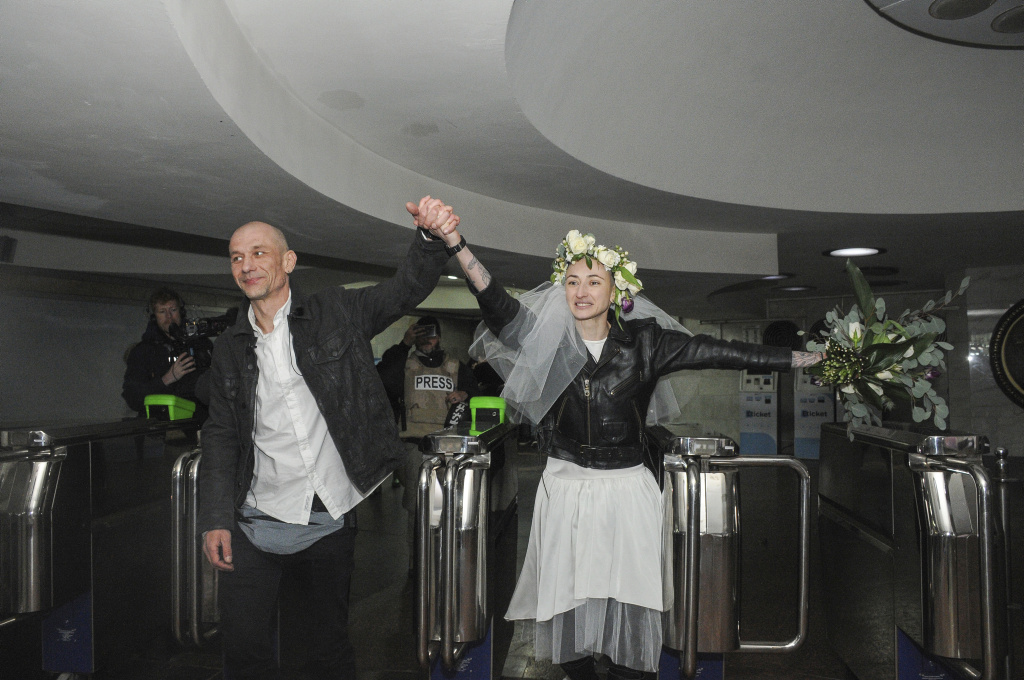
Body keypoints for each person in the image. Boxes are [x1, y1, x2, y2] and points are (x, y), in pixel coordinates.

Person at [412, 204, 824, 680]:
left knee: (633, 598)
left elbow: (721, 350)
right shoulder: (545, 339)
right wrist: (455, 245)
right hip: (565, 486)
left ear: (614, 291)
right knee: (568, 601)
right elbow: (493, 298)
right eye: (572, 282)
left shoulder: (646, 342)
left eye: (593, 282)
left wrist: (802, 359)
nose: (581, 292)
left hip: (628, 488)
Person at [198, 197, 461, 680]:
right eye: (237, 257)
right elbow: (220, 435)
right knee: (245, 651)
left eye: (258, 253)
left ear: (287, 261)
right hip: (254, 520)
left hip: (327, 515)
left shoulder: (336, 311)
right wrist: (215, 518)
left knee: (326, 648)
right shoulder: (230, 347)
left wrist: (427, 239)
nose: (246, 265)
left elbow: (402, 292)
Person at [376, 316, 478, 539]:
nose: (426, 340)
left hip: (447, 445)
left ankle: (443, 556)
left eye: (430, 334)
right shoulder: (404, 362)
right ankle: (417, 564)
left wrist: (465, 394)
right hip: (414, 443)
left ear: (439, 337)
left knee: (447, 505)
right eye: (421, 334)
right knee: (417, 505)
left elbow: (476, 392)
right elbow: (383, 380)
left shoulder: (454, 365)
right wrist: (404, 344)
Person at [122, 287, 211, 420]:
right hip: (162, 430)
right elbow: (132, 398)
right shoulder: (143, 352)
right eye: (162, 311)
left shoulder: (200, 344)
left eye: (173, 310)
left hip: (201, 423)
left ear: (181, 312)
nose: (169, 317)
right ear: (153, 317)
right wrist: (167, 379)